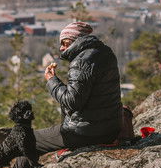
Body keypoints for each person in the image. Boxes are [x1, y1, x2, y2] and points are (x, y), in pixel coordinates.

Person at [27, 21, 123, 160]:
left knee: (26, 139)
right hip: (110, 128)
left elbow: (72, 101)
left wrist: (51, 80)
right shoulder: (105, 52)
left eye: (64, 42)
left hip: (85, 132)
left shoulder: (82, 61)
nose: (61, 48)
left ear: (75, 40)